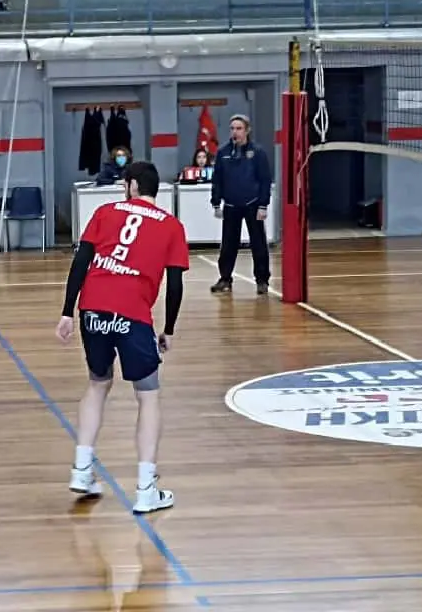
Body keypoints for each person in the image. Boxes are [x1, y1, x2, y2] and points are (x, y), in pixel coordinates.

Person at [55, 160, 189, 513]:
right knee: (148, 395)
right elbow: (175, 284)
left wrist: (68, 311)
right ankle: (146, 489)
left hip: (93, 309)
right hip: (133, 315)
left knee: (98, 384)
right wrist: (169, 329)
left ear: (131, 185)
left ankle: (81, 469)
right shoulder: (172, 226)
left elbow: (81, 262)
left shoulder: (104, 212)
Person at [209, 114, 272, 295]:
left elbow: (265, 180)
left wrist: (263, 205)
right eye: (232, 128)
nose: (235, 132)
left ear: (247, 130)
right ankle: (225, 278)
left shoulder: (258, 152)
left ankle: (262, 280)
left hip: (253, 204)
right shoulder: (223, 152)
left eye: (239, 128)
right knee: (228, 245)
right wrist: (216, 202)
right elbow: (217, 180)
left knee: (258, 244)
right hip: (231, 205)